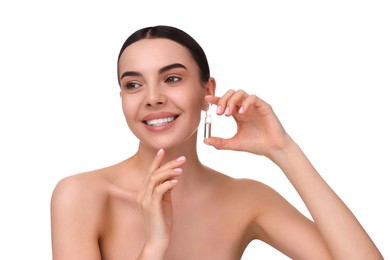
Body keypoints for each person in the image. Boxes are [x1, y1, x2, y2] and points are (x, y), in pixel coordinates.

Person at [50, 25, 383, 260]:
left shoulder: (247, 199)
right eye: (133, 85)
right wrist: (153, 247)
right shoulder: (81, 196)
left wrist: (283, 150)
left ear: (207, 91)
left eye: (172, 78)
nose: (152, 98)